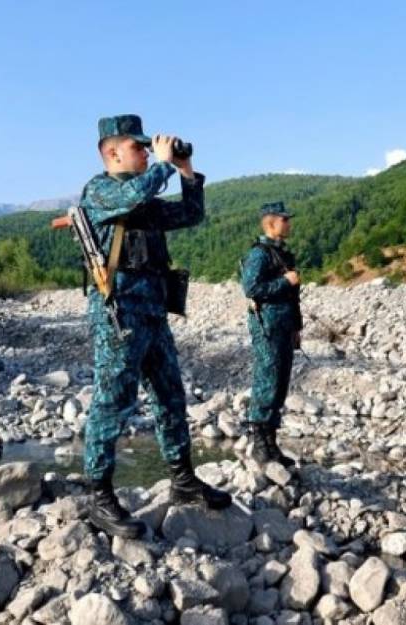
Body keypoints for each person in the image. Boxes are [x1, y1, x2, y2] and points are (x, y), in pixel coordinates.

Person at [80, 114, 231, 538]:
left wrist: (185, 171)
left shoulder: (143, 199)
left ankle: (183, 481)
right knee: (113, 401)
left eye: (149, 148)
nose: (147, 153)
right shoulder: (102, 190)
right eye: (138, 147)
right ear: (111, 152)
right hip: (119, 313)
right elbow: (129, 198)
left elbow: (190, 213)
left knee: (170, 396)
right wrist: (163, 164)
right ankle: (98, 493)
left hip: (153, 312)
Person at [240, 201, 303, 468]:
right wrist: (284, 281)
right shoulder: (260, 254)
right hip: (266, 326)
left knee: (279, 383)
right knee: (267, 380)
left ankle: (271, 443)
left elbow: (293, 297)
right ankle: (259, 444)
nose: (289, 223)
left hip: (284, 326)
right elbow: (251, 288)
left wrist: (297, 327)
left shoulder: (281, 253)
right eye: (284, 219)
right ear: (271, 223)